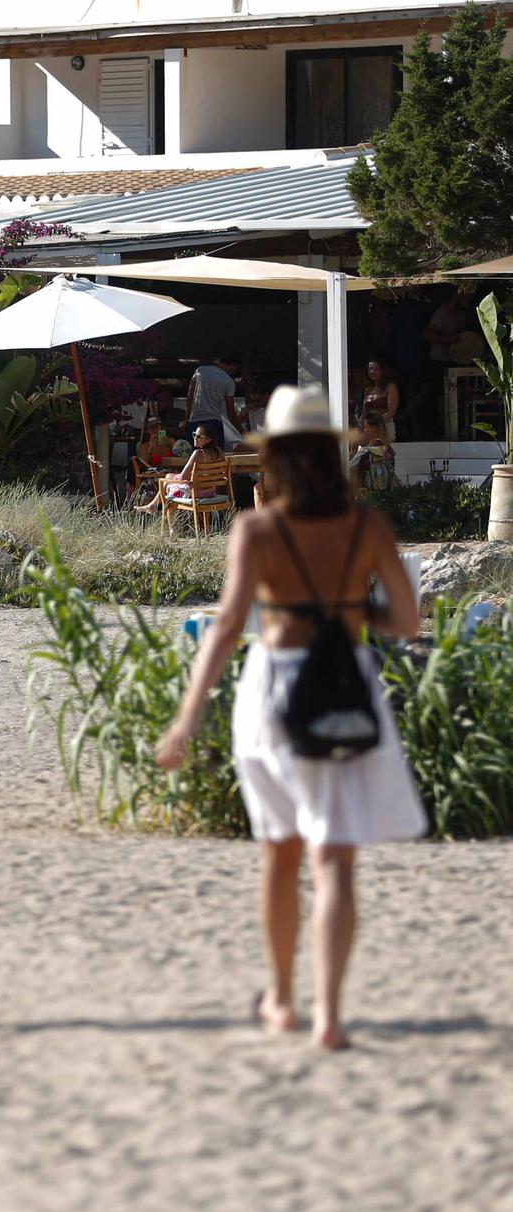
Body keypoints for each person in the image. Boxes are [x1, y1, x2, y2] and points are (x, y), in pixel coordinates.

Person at [157, 384, 424, 1053]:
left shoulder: (258, 528)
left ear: (273, 456)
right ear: (332, 456)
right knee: (335, 859)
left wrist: (186, 721)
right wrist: (350, 615)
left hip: (274, 690)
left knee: (280, 854)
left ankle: (281, 998)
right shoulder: (368, 527)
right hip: (345, 682)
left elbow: (224, 629)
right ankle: (330, 1015)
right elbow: (408, 620)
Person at [138, 424, 227, 514]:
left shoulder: (198, 453)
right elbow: (221, 474)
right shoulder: (219, 452)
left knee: (166, 484)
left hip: (196, 493)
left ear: (208, 440)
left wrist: (171, 479)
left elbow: (182, 477)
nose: (195, 438)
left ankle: (158, 512)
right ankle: (153, 506)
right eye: (194, 434)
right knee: (169, 476)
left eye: (198, 436)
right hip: (210, 491)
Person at [185, 351, 246, 445]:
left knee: (194, 456)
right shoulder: (229, 382)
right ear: (233, 364)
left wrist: (186, 421)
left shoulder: (200, 370)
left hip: (194, 422)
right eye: (236, 369)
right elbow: (231, 412)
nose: (234, 372)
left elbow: (189, 398)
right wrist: (243, 432)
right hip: (214, 423)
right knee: (216, 457)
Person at [359, 358, 400, 449]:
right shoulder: (368, 389)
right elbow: (364, 413)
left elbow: (391, 413)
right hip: (369, 429)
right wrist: (362, 427)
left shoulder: (390, 387)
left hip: (385, 428)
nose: (372, 371)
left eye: (376, 368)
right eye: (370, 369)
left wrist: (376, 426)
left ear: (382, 370)